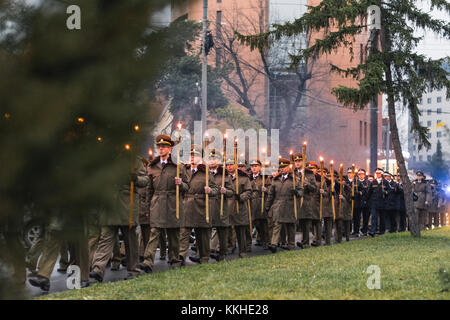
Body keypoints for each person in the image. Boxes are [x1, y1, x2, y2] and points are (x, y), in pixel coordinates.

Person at [89, 156, 148, 282]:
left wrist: (136, 178)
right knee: (105, 239)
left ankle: (133, 270)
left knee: (130, 241)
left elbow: (145, 180)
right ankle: (98, 269)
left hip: (127, 206)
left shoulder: (134, 160)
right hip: (110, 206)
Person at [139, 134, 189, 273]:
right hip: (157, 203)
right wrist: (148, 206)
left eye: (164, 147)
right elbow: (149, 189)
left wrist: (181, 184)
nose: (161, 149)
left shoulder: (178, 166)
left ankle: (174, 260)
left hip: (173, 203)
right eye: (159, 147)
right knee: (154, 232)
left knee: (173, 234)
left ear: (170, 148)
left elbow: (187, 187)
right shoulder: (152, 167)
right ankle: (148, 261)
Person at [179, 145, 218, 264]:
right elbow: (184, 187)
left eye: (195, 155)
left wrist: (210, 191)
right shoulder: (184, 170)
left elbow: (215, 188)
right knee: (184, 233)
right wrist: (179, 184)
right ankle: (180, 257)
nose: (192, 157)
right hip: (186, 206)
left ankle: (204, 257)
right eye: (191, 155)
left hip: (201, 206)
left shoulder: (206, 172)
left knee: (202, 235)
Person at [265, 158, 302, 252]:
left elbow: (301, 191)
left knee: (290, 225)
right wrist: (267, 205)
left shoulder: (295, 179)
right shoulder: (276, 180)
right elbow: (271, 194)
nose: (282, 169)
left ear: (288, 167)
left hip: (290, 205)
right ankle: (274, 244)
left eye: (284, 167)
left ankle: (291, 244)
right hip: (278, 204)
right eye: (280, 167)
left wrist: (297, 193)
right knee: (277, 224)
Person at [208, 151, 234, 262]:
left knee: (222, 232)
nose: (211, 161)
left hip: (220, 205)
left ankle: (222, 252)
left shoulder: (225, 175)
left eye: (214, 159)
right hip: (208, 205)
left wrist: (226, 191)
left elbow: (232, 191)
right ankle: (208, 252)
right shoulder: (205, 174)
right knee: (209, 230)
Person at [226, 157, 252, 258]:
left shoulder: (244, 178)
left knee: (240, 230)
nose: (229, 166)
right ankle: (229, 247)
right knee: (228, 229)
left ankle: (242, 251)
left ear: (236, 165)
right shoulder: (224, 177)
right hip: (227, 207)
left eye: (231, 164)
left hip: (239, 206)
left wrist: (241, 197)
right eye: (227, 165)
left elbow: (248, 191)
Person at [249, 158, 271, 250]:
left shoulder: (265, 177)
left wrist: (266, 190)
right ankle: (261, 238)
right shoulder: (249, 178)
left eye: (256, 166)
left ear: (259, 167)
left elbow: (271, 190)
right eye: (252, 166)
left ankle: (266, 241)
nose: (254, 168)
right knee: (256, 223)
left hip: (262, 202)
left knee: (264, 224)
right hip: (253, 203)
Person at [297, 159, 318, 248]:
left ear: (303, 162)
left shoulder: (309, 174)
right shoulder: (293, 173)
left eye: (299, 161)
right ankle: (303, 241)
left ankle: (305, 243)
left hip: (306, 201)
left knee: (306, 223)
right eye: (295, 161)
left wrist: (307, 184)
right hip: (296, 201)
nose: (297, 163)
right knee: (300, 223)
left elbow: (314, 188)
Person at [367, 168, 389, 237]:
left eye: (379, 173)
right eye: (377, 173)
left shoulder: (385, 182)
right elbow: (369, 192)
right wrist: (367, 200)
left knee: (382, 217)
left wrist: (386, 192)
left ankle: (382, 231)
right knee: (374, 217)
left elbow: (389, 191)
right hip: (375, 203)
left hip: (382, 202)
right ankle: (372, 231)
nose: (378, 174)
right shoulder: (373, 182)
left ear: (381, 174)